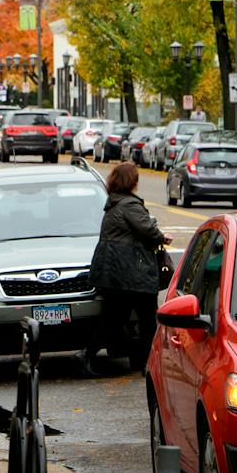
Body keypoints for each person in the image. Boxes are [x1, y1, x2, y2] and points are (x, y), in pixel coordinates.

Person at [77, 161, 171, 376]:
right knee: (147, 319)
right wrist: (162, 237)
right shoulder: (130, 205)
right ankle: (148, 364)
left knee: (115, 319)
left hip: (114, 274)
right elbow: (148, 230)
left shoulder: (114, 203)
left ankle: (95, 355)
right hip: (131, 274)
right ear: (132, 181)